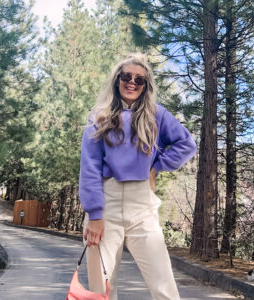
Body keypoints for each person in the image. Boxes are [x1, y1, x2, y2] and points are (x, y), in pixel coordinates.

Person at [78, 53, 197, 300]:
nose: (132, 82)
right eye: (126, 76)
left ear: (146, 86)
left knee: (164, 286)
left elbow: (186, 144)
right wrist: (95, 214)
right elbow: (89, 168)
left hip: (142, 208)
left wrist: (156, 167)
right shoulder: (99, 117)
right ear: (117, 80)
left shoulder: (157, 115)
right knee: (101, 290)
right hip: (106, 207)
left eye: (139, 79)